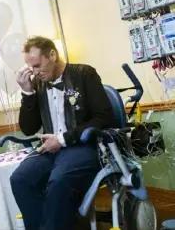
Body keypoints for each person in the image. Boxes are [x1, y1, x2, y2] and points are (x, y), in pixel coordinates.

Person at [10, 36, 117, 230]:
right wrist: (27, 93)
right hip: (50, 149)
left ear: (52, 54)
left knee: (59, 181)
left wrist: (63, 139)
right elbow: (28, 129)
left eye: (36, 66)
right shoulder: (38, 84)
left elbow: (105, 117)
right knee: (20, 179)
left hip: (82, 146)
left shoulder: (84, 74)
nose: (33, 73)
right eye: (29, 68)